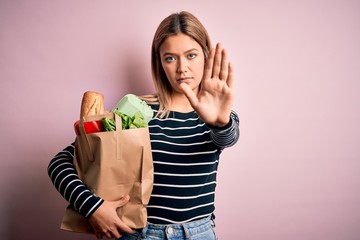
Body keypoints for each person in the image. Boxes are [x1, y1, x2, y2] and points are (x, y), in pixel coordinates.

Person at [48, 11, 239, 240]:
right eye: (170, 58)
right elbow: (60, 162)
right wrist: (92, 207)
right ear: (159, 63)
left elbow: (227, 138)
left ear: (206, 56)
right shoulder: (137, 110)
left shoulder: (219, 114)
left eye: (191, 55)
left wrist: (220, 123)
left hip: (199, 233)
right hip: (142, 234)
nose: (181, 68)